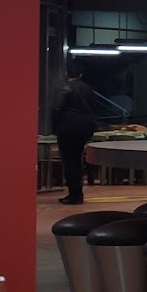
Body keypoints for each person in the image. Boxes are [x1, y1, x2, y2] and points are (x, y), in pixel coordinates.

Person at [51, 67, 101, 205]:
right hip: (85, 126)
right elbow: (95, 108)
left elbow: (56, 108)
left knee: (69, 161)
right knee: (77, 160)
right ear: (81, 74)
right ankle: (78, 193)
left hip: (68, 126)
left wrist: (55, 128)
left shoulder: (65, 88)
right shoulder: (88, 89)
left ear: (66, 74)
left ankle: (74, 195)